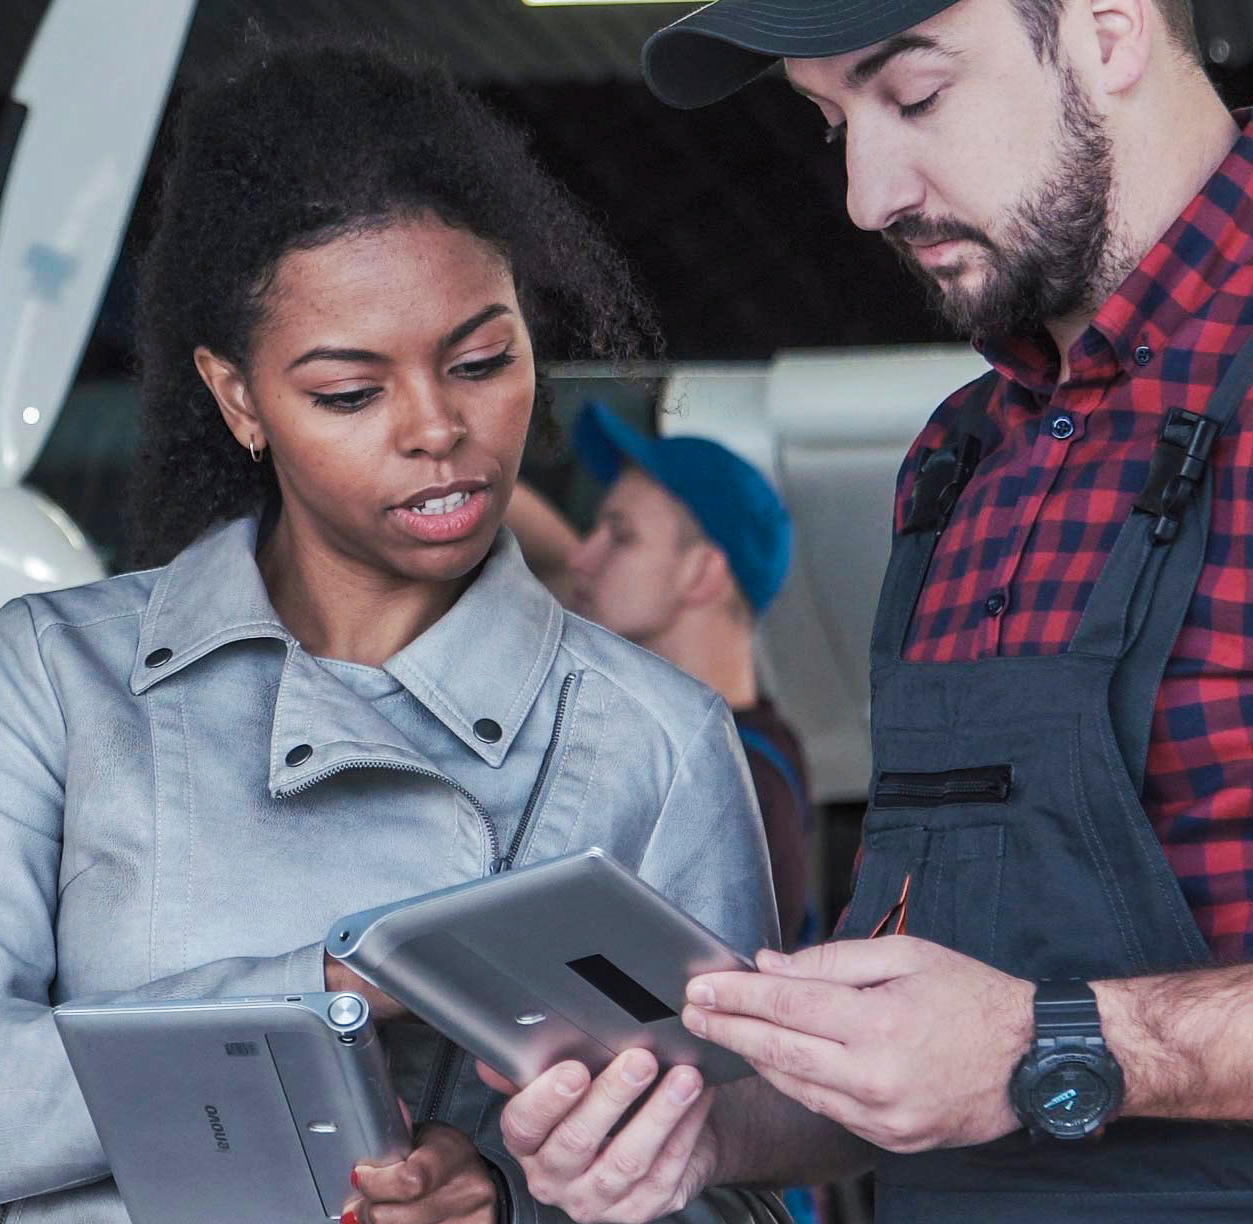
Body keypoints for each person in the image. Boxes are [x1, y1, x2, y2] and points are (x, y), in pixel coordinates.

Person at [0, 40, 778, 1224]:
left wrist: (499, 1198)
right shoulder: (58, 678)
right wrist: (329, 986)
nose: (438, 427)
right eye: (349, 392)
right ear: (239, 398)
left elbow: (734, 1176)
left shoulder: (661, 739)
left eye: (484, 360)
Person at [484, 1, 1253, 1221]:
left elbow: (994, 1048)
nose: (864, 195)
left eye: (916, 95)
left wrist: (1042, 1043)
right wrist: (700, 1134)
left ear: (1110, 31)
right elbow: (916, 1057)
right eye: (830, 120)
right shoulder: (958, 465)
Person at [507, 404, 811, 945]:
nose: (584, 558)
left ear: (702, 573)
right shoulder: (723, 755)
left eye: (619, 536)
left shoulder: (738, 790)